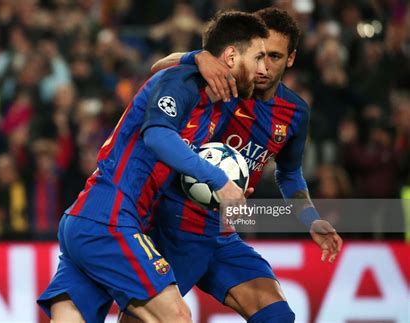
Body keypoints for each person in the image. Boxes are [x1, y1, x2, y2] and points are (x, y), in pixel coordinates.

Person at [37, 11, 269, 323]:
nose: (263, 68)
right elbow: (159, 135)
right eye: (258, 57)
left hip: (88, 218)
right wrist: (218, 181)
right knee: (175, 316)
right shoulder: (180, 82)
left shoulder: (209, 98)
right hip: (112, 217)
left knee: (71, 317)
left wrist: (194, 56)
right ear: (230, 55)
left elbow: (160, 64)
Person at [121, 8, 343, 323]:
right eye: (260, 55)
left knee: (277, 316)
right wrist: (198, 56)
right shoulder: (222, 79)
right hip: (173, 224)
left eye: (276, 57)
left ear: (291, 59)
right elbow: (160, 66)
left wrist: (311, 220)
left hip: (222, 232)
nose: (264, 67)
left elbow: (289, 174)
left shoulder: (295, 113)